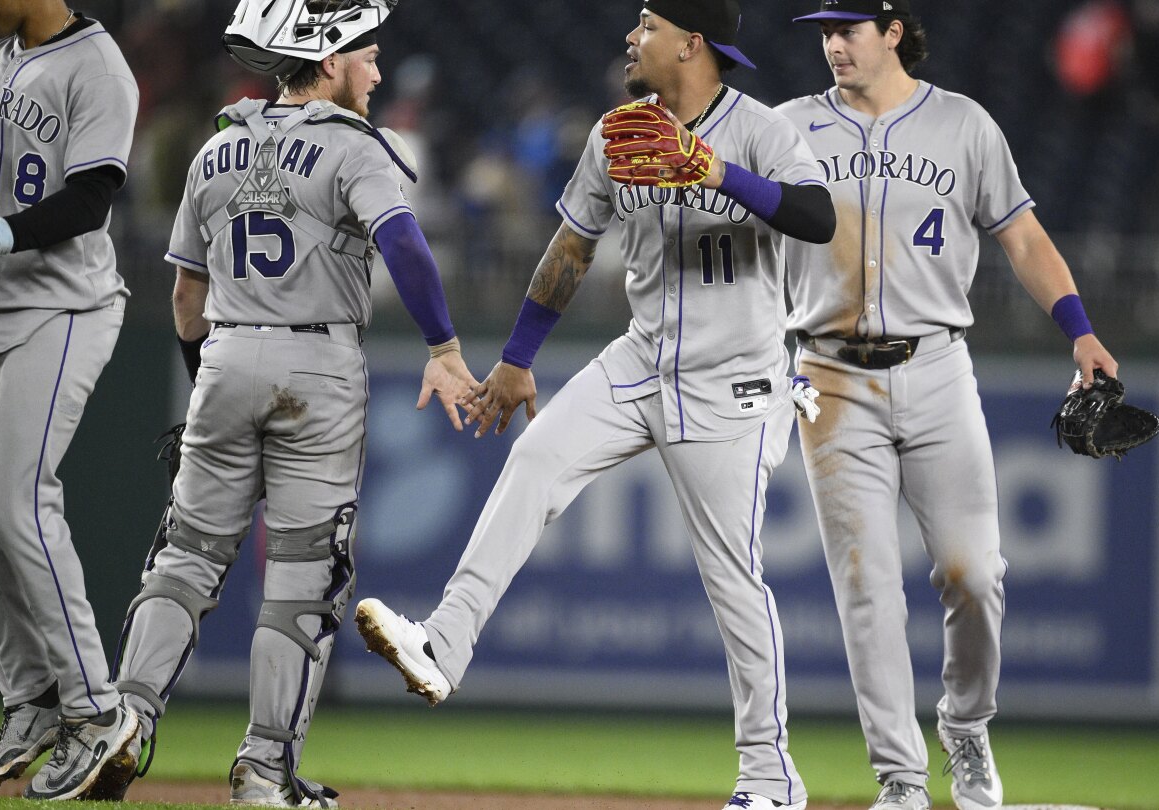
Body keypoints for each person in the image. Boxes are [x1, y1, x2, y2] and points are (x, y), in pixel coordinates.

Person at [354, 1, 834, 808]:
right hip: (643, 356)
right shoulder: (620, 131)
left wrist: (711, 168)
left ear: (691, 42)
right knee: (537, 458)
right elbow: (571, 246)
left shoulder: (758, 130)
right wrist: (515, 359)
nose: (630, 36)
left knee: (733, 579)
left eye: (647, 25)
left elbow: (817, 217)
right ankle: (443, 642)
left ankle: (769, 778)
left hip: (735, 380)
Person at [107, 1, 476, 805]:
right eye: (367, 56)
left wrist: (204, 377)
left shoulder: (218, 145)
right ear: (330, 56)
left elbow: (183, 295)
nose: (375, 72)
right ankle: (264, 768)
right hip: (317, 363)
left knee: (185, 558)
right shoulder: (353, 147)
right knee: (303, 581)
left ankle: (128, 718)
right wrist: (444, 349)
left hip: (227, 351)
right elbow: (404, 241)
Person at [776, 2, 1121, 809]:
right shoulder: (787, 126)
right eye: (825, 31)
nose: (833, 45)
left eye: (849, 29)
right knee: (867, 590)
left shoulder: (963, 126)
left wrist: (1081, 331)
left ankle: (965, 729)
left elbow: (1025, 241)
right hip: (824, 376)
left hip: (936, 368)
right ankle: (899, 781)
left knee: (974, 575)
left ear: (894, 31)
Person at [0, 0, 141, 800]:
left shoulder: (98, 66)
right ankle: (32, 700)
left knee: (20, 499)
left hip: (64, 308)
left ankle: (96, 709)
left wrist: (0, 235)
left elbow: (90, 200)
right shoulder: (5, 54)